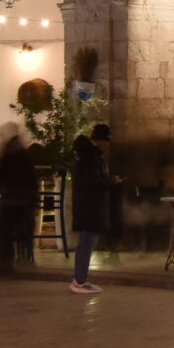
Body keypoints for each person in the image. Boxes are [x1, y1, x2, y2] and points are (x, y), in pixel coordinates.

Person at [70, 124, 113, 295]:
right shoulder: (91, 157)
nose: (108, 145)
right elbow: (93, 182)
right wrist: (111, 181)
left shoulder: (86, 155)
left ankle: (80, 279)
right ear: (100, 140)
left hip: (86, 205)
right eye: (107, 141)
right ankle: (79, 281)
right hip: (90, 206)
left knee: (86, 242)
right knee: (86, 243)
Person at [0, 126, 37, 278]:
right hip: (25, 198)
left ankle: (5, 263)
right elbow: (32, 178)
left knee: (5, 232)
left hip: (10, 198)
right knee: (25, 229)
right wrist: (34, 199)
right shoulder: (25, 154)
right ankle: (25, 256)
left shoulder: (7, 154)